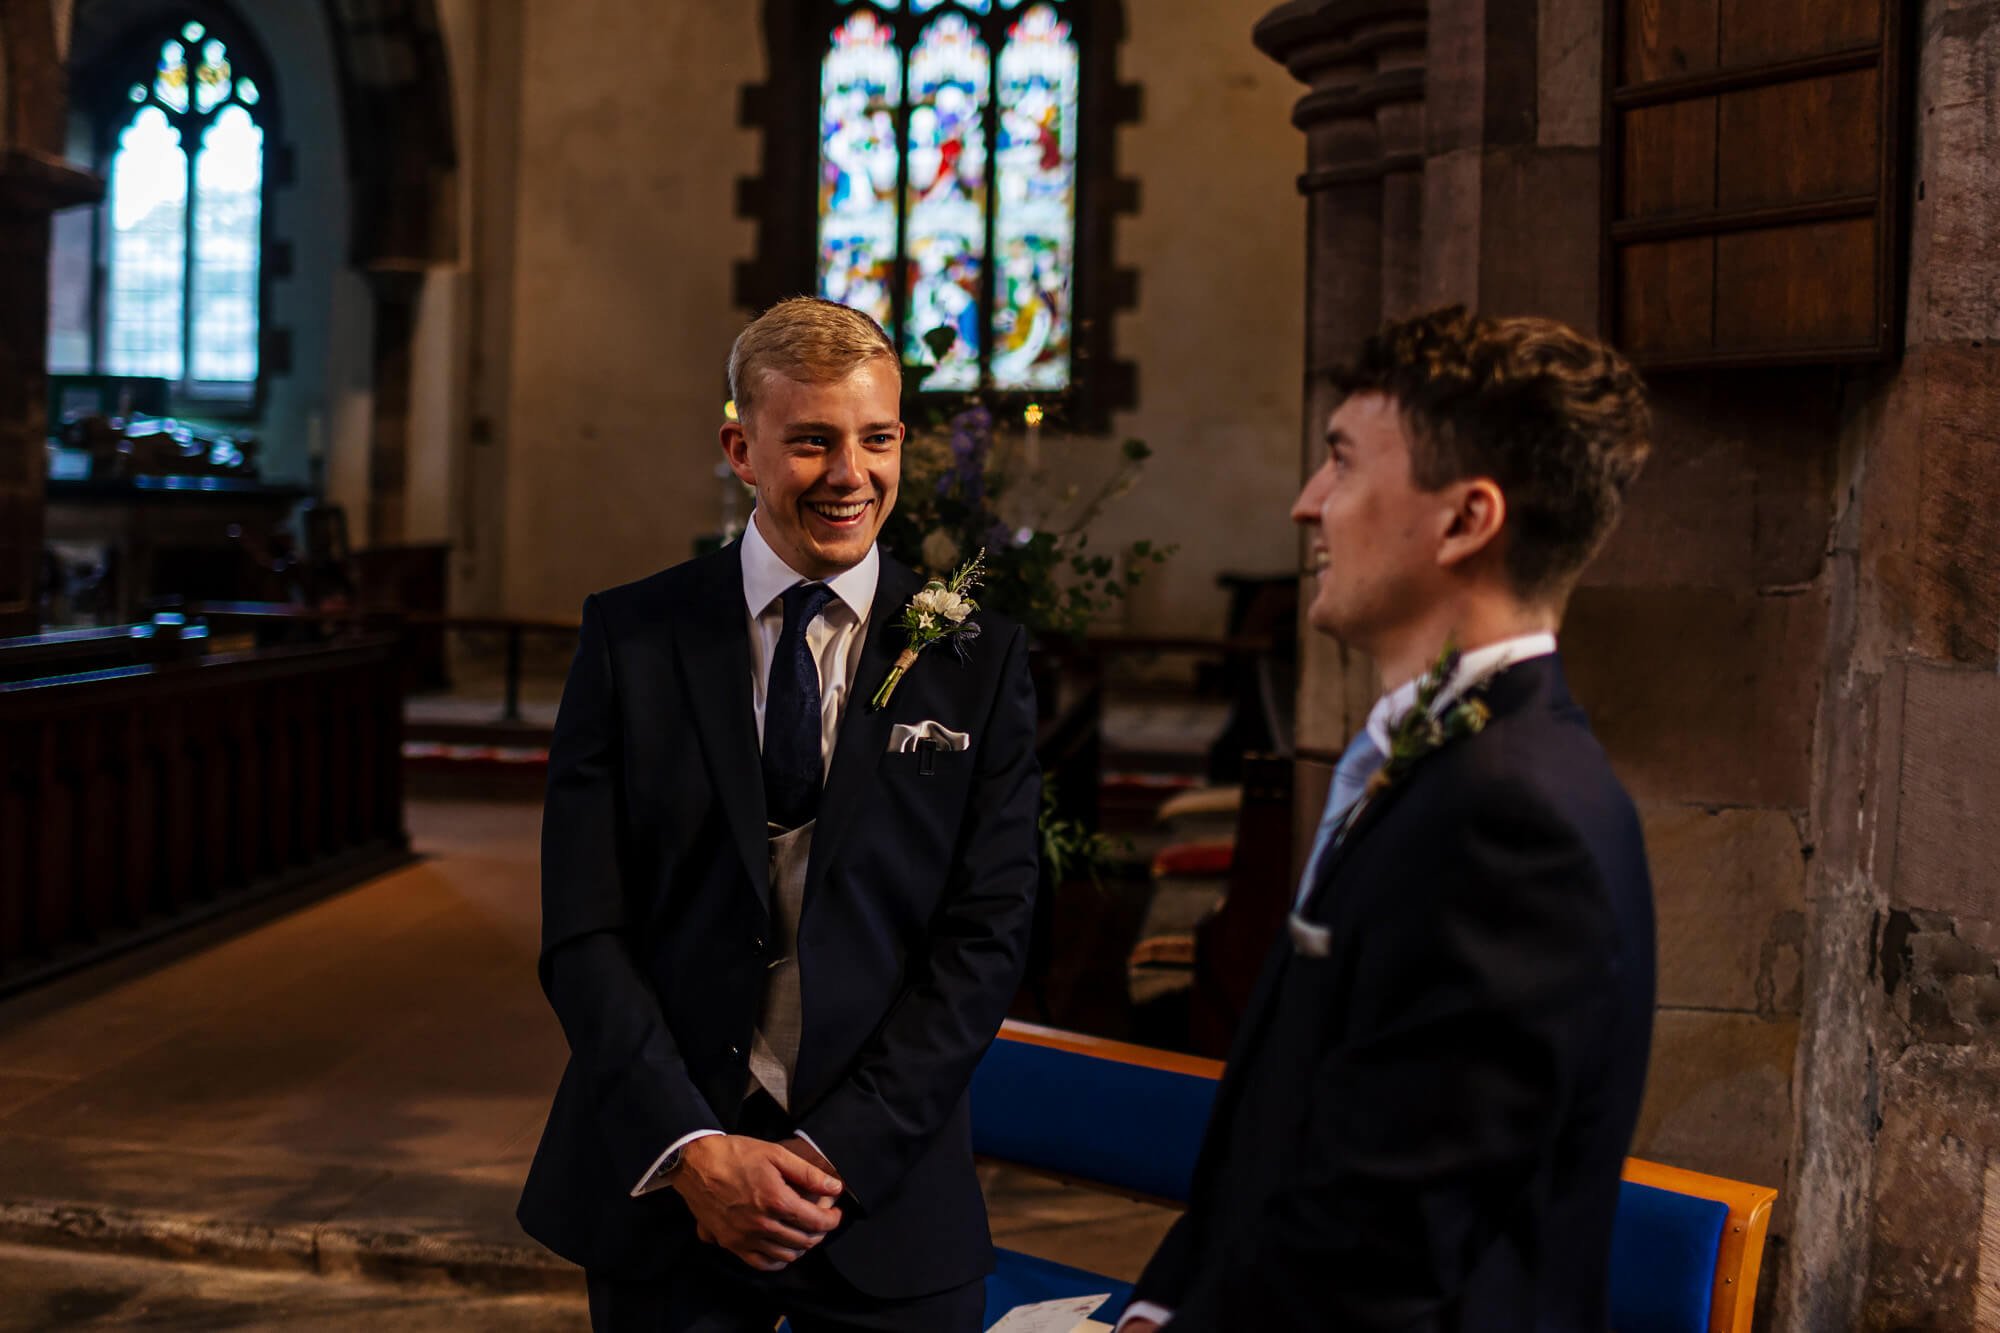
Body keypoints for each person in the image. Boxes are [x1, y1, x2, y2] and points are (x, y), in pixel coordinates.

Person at [1119, 307, 1657, 1331]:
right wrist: (1159, 1304)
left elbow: (1381, 1242)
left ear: (1463, 519)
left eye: (1341, 464)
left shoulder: (1513, 819)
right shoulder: (1442, 761)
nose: (1305, 504)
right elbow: (1292, 1121)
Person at [517, 297, 1041, 1332]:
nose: (850, 473)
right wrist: (693, 1147)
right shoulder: (633, 639)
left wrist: (828, 1151)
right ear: (739, 448)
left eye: (876, 437)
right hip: (669, 1187)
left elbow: (986, 939)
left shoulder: (976, 661)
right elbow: (584, 930)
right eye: (811, 441)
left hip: (884, 1196)